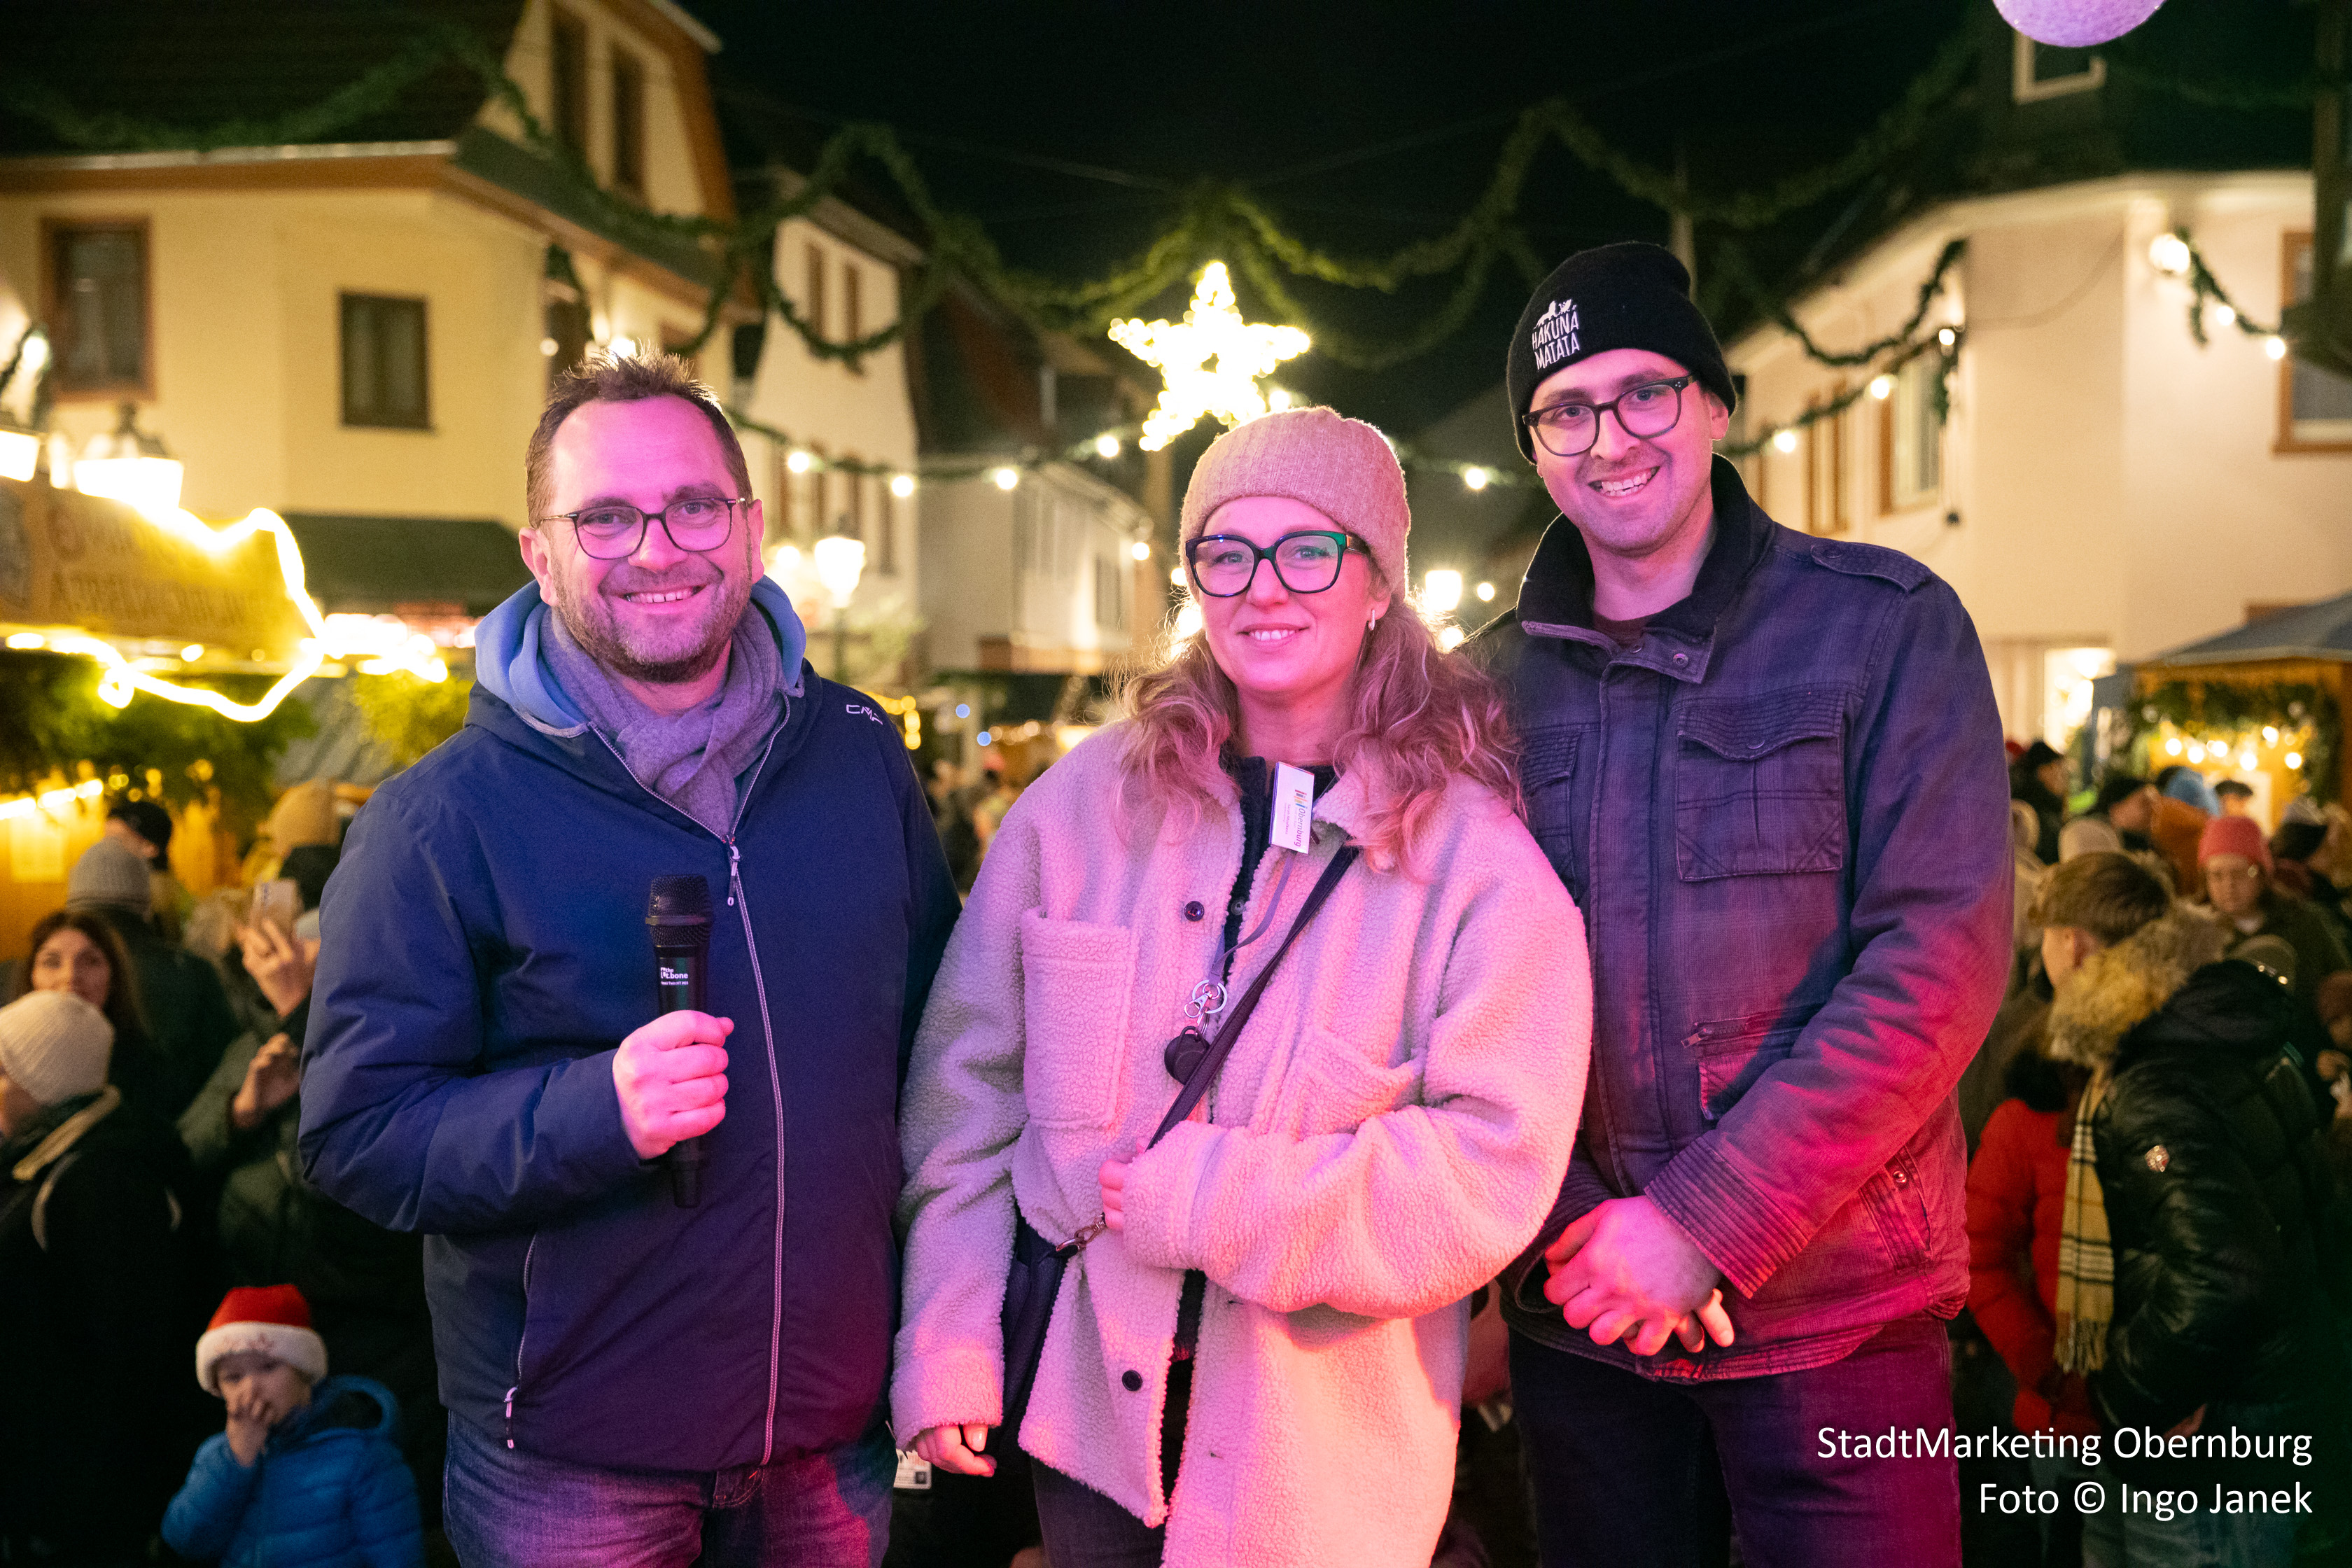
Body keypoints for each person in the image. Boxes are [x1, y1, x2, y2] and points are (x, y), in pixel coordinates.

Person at [895, 406, 1592, 1568]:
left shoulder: (1476, 865)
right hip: (1087, 1444)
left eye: (1308, 550)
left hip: (1319, 1476)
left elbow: (1491, 1167)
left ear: (1379, 584)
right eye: (1226, 553)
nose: (1264, 587)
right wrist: (948, 1343)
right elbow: (964, 1103)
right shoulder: (1077, 813)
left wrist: (1216, 1199)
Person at [300, 352, 958, 1567]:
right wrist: (593, 1111)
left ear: (750, 529)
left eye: (695, 506)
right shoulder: (440, 820)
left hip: (830, 1437)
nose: (657, 548)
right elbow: (357, 1136)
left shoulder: (859, 754)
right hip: (573, 1462)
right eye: (604, 517)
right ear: (540, 554)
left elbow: (946, 1055)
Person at [1474, 241, 2011, 1567]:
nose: (1611, 438)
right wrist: (1576, 1240)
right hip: (1583, 1325)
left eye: (1646, 392)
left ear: (1716, 405)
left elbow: (1936, 963)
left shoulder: (1883, 628)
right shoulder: (1482, 690)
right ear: (1535, 450)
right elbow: (1441, 997)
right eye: (1566, 411)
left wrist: (1704, 1224)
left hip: (1838, 1321)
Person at [2033, 852, 2351, 1565]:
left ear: (2074, 945)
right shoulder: (2208, 1024)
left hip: (2212, 1432)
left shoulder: (2156, 1077)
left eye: (2046, 935)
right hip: (2255, 1398)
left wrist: (2132, 1394)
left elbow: (2226, 1274)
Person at [0, 988, 195, 1562]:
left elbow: (125, 1361)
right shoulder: (41, 1156)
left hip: (70, 1501)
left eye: (3, 1070)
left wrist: (69, 1513)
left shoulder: (100, 1181)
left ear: (44, 1083)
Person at [164, 1283, 423, 1568]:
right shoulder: (217, 1457)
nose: (251, 1389)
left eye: (268, 1367)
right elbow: (185, 1541)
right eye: (233, 1378)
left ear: (304, 1372)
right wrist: (235, 1463)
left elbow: (398, 1558)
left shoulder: (364, 1457)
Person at [63, 835, 239, 1116]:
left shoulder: (51, 973)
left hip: (77, 1132)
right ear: (146, 906)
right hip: (183, 1127)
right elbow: (225, 1061)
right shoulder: (193, 971)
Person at [9, 906, 178, 1116]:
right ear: (31, 976)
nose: (70, 976)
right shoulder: (7, 1061)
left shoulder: (147, 1072)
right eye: (52, 962)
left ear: (114, 978)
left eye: (91, 961)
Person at [2197, 813, 2348, 1009]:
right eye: (2216, 875)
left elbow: (2343, 981)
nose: (2229, 886)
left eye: (2239, 873)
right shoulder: (2195, 936)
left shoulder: (2304, 922)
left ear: (2262, 874)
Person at [107, 794, 193, 944]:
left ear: (150, 848)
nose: (105, 849)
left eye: (118, 840)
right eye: (106, 839)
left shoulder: (156, 905)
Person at [2057, 773, 2155, 861]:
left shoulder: (2144, 846)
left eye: (2156, 804)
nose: (2154, 810)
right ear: (2115, 808)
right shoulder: (2087, 832)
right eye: (2145, 804)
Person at [2012, 740, 2071, 867]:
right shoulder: (2038, 811)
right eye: (2053, 767)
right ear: (2041, 771)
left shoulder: (2049, 806)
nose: (2060, 777)